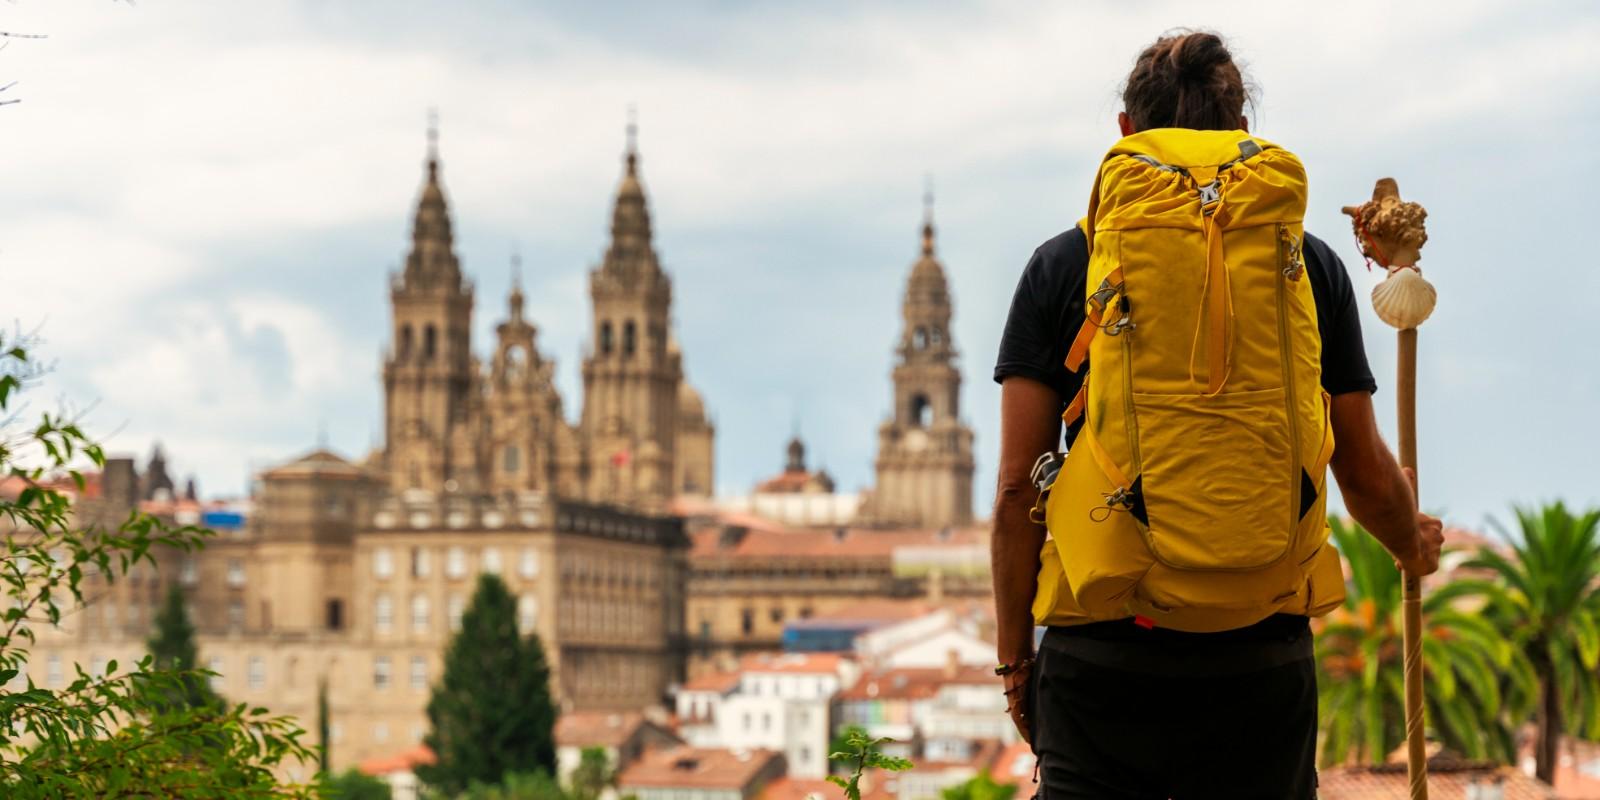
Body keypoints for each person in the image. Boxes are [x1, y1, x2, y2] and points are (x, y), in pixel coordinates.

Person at [989, 30, 1446, 799]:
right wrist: (1411, 541)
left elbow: (1015, 493)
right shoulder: (1309, 262)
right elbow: (1364, 472)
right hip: (1259, 658)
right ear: (1243, 132)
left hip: (1103, 655)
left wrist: (1016, 667)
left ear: (1127, 134)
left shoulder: (1065, 264)